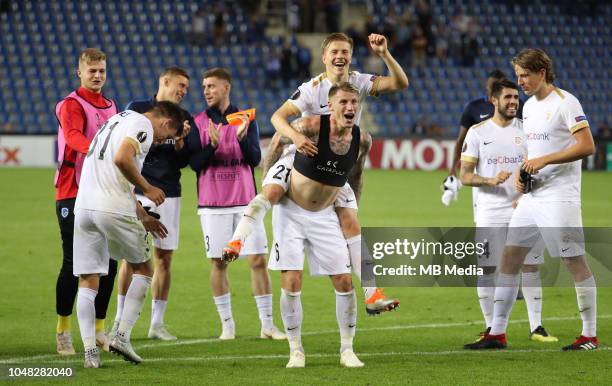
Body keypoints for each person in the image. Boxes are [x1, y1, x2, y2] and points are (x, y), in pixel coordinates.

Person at [224, 32, 409, 315]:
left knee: (352, 223)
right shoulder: (311, 88)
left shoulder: (358, 82)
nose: (340, 56)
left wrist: (384, 54)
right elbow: (277, 118)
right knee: (271, 193)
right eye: (334, 51)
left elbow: (400, 83)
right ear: (324, 57)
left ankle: (373, 295)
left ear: (350, 56)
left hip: (336, 163)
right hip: (304, 157)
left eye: (345, 51)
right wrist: (296, 139)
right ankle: (239, 239)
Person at [466, 48, 598, 351]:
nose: (520, 81)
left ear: (542, 72)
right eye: (517, 76)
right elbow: (532, 147)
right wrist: (522, 171)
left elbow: (587, 145)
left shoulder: (566, 103)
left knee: (573, 260)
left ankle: (589, 335)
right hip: (532, 195)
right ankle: (497, 333)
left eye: (525, 75)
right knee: (510, 257)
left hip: (559, 197)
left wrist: (544, 161)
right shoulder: (530, 108)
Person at [73, 102, 185, 368]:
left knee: (88, 279)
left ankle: (90, 353)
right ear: (166, 122)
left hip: (84, 207)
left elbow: (115, 175)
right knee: (144, 269)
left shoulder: (115, 120)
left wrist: (143, 215)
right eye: (166, 137)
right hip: (112, 207)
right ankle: (121, 336)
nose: (161, 141)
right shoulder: (143, 125)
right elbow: (122, 159)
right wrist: (147, 187)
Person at [266, 82, 370, 368]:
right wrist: (269, 179)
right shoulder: (309, 125)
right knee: (292, 280)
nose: (349, 107)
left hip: (324, 213)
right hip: (291, 210)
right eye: (343, 103)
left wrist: (352, 204)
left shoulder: (362, 139)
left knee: (344, 280)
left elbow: (356, 173)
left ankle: (347, 350)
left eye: (353, 102)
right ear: (331, 105)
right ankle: (296, 349)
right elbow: (276, 139)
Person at [459, 79, 557, 346]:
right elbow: (464, 176)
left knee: (529, 266)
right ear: (494, 100)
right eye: (508, 98)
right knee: (487, 270)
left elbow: (541, 168)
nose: (514, 102)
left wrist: (526, 193)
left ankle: (536, 325)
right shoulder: (477, 133)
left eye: (516, 98)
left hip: (524, 209)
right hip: (490, 212)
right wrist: (489, 181)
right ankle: (492, 327)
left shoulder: (528, 132)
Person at [189, 67, 285, 340]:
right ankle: (227, 326)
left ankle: (267, 325)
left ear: (226, 88)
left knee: (257, 261)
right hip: (212, 203)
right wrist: (211, 146)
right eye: (205, 86)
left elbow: (255, 159)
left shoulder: (246, 119)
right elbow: (195, 164)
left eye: (212, 86)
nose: (206, 91)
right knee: (219, 263)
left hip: (245, 202)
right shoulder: (198, 122)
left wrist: (242, 139)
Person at [111, 67, 194, 342]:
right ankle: (120, 320)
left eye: (186, 88)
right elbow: (141, 145)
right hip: (139, 189)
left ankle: (157, 323)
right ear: (165, 82)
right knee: (130, 257)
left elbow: (184, 161)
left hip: (170, 191)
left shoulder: (184, 118)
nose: (183, 91)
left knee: (165, 258)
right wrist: (172, 139)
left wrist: (181, 143)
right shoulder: (138, 109)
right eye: (180, 85)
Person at [54, 48, 118, 356]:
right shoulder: (71, 104)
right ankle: (63, 329)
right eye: (91, 70)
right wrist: (100, 148)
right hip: (72, 191)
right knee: (73, 264)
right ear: (79, 72)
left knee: (109, 263)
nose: (97, 75)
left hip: (104, 193)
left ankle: (98, 330)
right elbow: (73, 136)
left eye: (101, 70)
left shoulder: (111, 106)